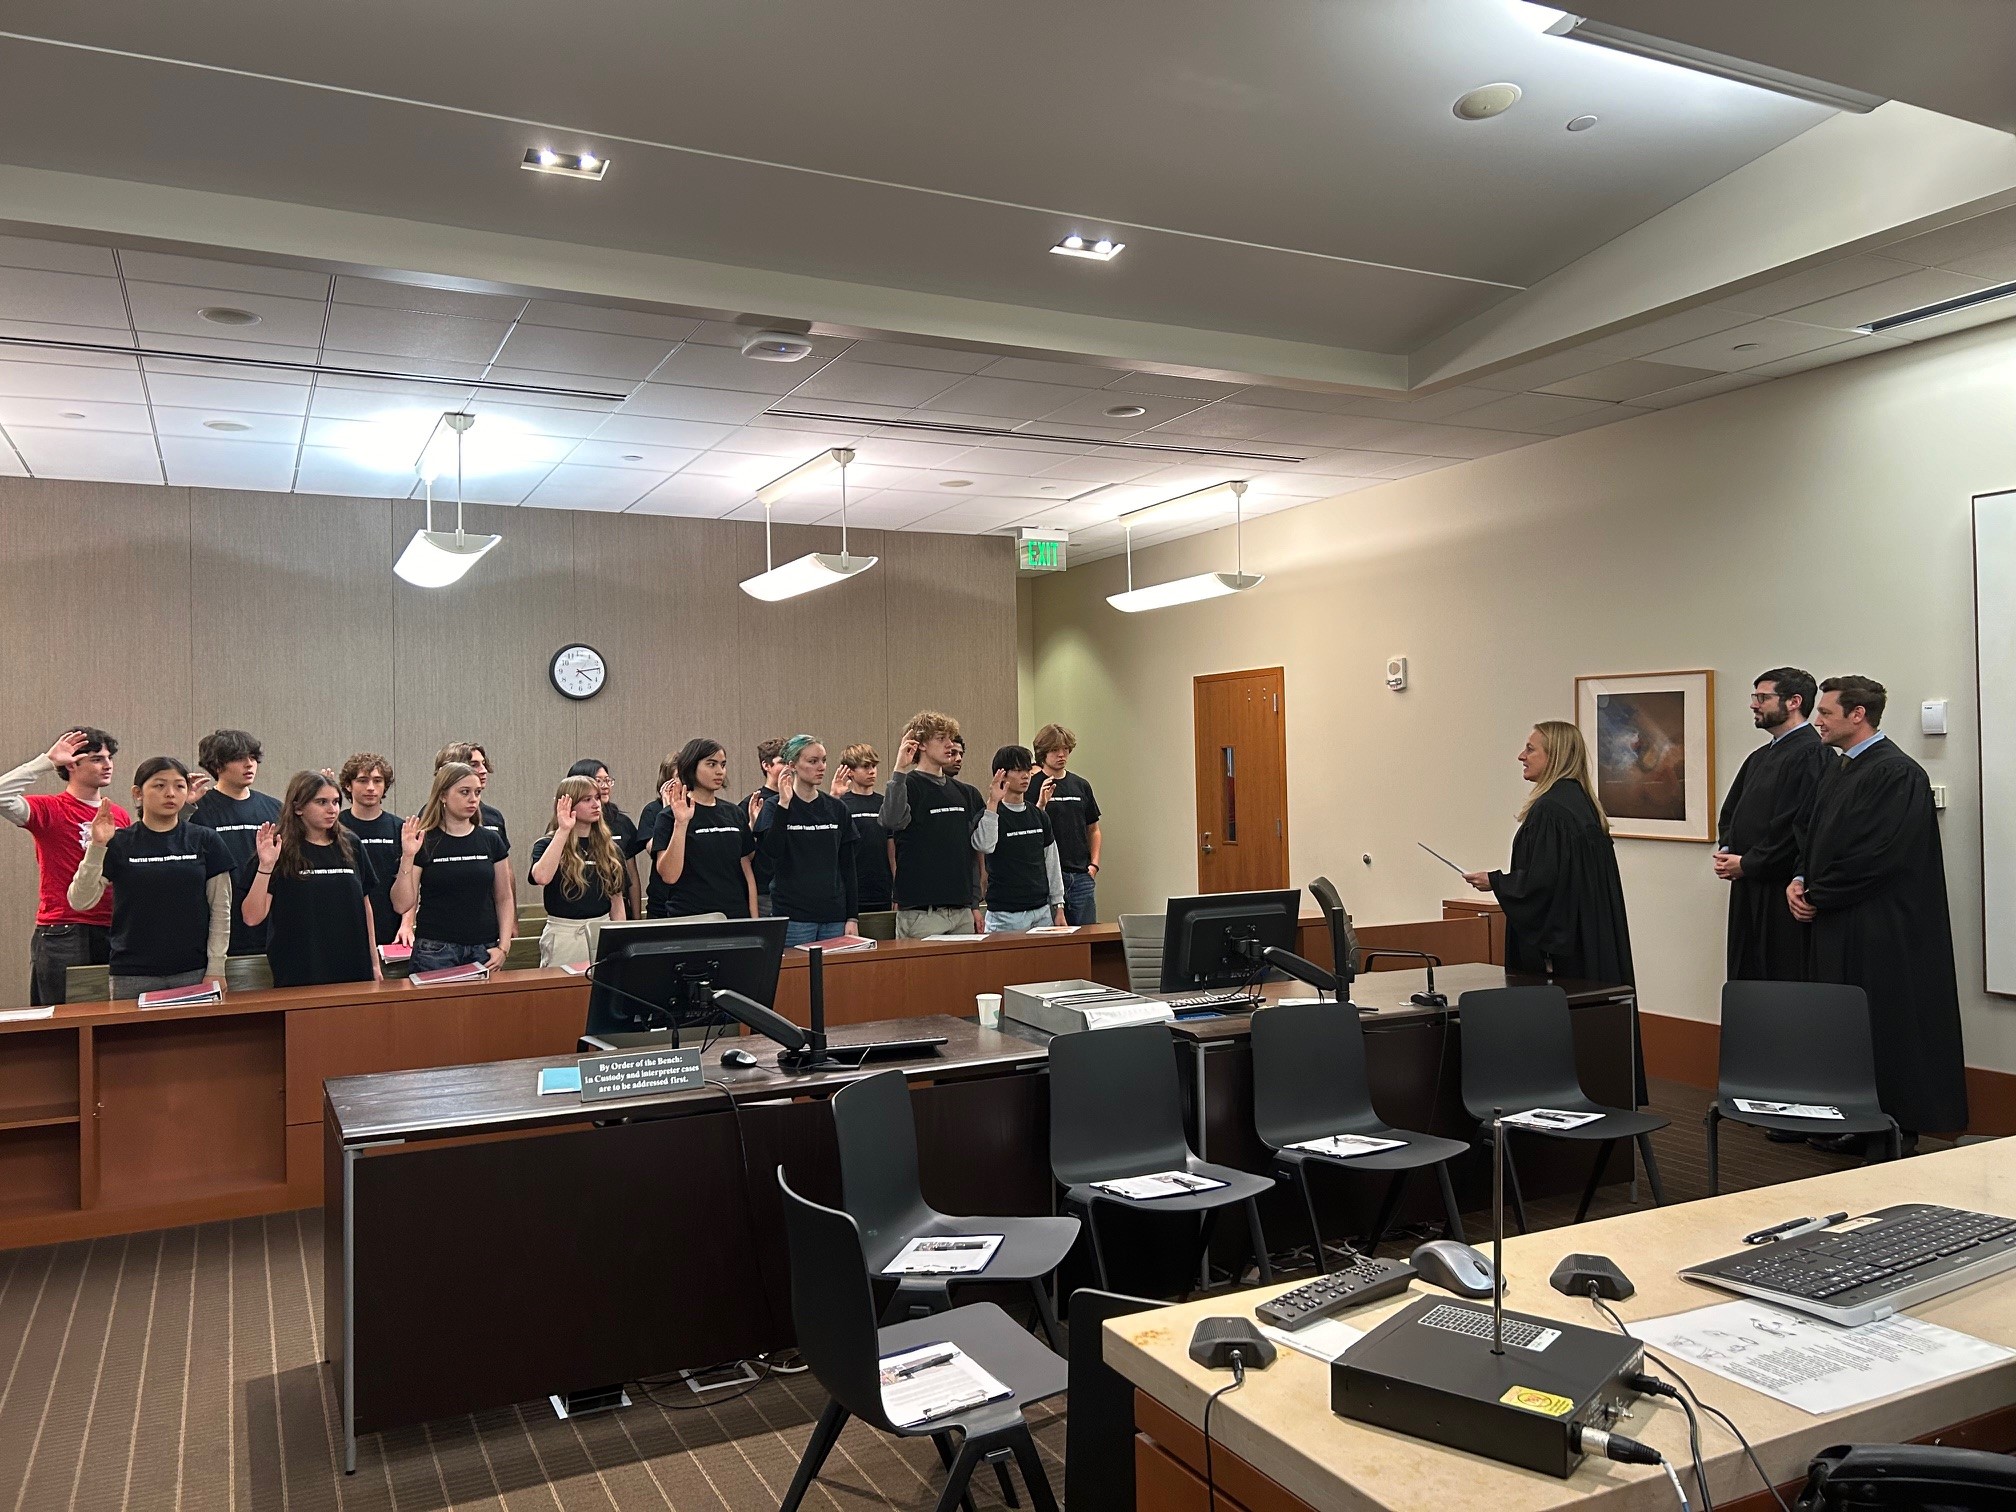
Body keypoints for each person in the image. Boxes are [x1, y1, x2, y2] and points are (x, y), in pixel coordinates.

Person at [1790, 676, 1966, 1156]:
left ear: (1858, 715)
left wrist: (1820, 892)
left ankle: (1892, 1126)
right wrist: (1800, 878)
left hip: (1883, 928)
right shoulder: (1839, 767)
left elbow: (1879, 855)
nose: (1817, 721)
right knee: (1846, 1026)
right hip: (1839, 920)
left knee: (1885, 1024)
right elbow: (1811, 834)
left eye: (1826, 713)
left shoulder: (1897, 774)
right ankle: (1856, 1118)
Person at [67, 756, 232, 1000]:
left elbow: (221, 909)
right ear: (138, 793)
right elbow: (80, 901)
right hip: (132, 973)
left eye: (179, 786)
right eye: (159, 785)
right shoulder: (120, 842)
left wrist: (216, 967)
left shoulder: (205, 840)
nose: (170, 793)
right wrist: (98, 846)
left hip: (194, 970)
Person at [1715, 669, 1831, 983]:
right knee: (1747, 973)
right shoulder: (1759, 757)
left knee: (1781, 976)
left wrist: (1750, 863)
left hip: (1781, 890)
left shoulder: (1812, 754)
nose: (1754, 705)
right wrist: (1727, 850)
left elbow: (1798, 827)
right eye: (1755, 697)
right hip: (1747, 883)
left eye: (1763, 697)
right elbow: (1731, 813)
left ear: (1794, 702)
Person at [2, 727, 127, 1004]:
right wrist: (46, 761)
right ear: (71, 764)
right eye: (96, 758)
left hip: (113, 927)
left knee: (109, 1018)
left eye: (109, 757)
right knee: (62, 1021)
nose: (107, 765)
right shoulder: (51, 808)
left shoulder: (117, 814)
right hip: (64, 929)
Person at [241, 771, 382, 988]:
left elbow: (366, 907)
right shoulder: (279, 848)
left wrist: (374, 963)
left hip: (353, 964)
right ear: (298, 808)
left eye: (335, 802)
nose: (332, 809)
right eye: (321, 802)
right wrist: (266, 867)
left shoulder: (350, 844)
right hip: (301, 968)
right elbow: (252, 917)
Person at [391, 762, 513, 974]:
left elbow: (504, 897)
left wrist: (503, 947)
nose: (473, 799)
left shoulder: (490, 840)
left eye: (477, 792)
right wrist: (408, 856)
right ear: (443, 796)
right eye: (464, 792)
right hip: (435, 950)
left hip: (483, 947)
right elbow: (402, 904)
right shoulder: (425, 840)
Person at [880, 711, 984, 938]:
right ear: (921, 745)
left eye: (950, 738)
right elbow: (891, 820)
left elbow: (971, 852)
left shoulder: (962, 792)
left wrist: (974, 902)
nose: (949, 745)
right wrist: (899, 769)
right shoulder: (908, 785)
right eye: (941, 739)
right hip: (922, 914)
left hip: (960, 910)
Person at [755, 735, 858, 945]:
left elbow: (848, 865)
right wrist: (785, 805)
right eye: (812, 761)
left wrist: (852, 916)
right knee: (798, 977)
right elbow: (771, 852)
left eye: (823, 760)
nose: (821, 767)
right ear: (792, 765)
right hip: (795, 917)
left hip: (834, 916)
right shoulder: (773, 806)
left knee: (834, 976)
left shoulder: (837, 808)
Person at [188, 728, 282, 959]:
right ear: (217, 765)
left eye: (252, 758)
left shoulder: (274, 808)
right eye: (239, 759)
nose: (249, 765)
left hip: (268, 919)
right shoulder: (198, 809)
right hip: (218, 921)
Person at [650, 738, 758, 919]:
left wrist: (754, 918)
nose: (719, 771)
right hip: (691, 917)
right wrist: (681, 823)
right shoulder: (669, 816)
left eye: (723, 765)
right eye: (711, 764)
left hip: (734, 915)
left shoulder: (734, 813)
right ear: (691, 766)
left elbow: (746, 868)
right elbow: (669, 876)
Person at [529, 775, 628, 966]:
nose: (596, 804)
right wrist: (563, 830)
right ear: (569, 804)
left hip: (603, 928)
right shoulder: (548, 844)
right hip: (565, 933)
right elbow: (541, 877)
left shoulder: (610, 848)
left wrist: (619, 937)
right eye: (586, 799)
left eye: (597, 798)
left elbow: (616, 899)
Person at [974, 745, 1065, 933]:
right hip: (1005, 915)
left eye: (1027, 770)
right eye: (1017, 770)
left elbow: (1051, 861)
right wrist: (993, 802)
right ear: (1002, 775)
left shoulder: (1038, 815)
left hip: (1041, 912)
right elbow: (984, 846)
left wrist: (1058, 905)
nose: (1025, 775)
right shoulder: (990, 814)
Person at [338, 752, 412, 950]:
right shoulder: (336, 827)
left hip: (390, 928)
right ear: (348, 785)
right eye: (363, 780)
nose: (371, 787)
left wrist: (406, 924)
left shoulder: (400, 828)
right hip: (345, 926)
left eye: (377, 781)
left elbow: (411, 879)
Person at [1033, 722, 1102, 924]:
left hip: (1081, 875)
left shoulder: (1081, 785)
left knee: (1086, 936)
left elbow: (1094, 829)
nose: (1061, 755)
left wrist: (1094, 865)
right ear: (1043, 753)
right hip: (1047, 876)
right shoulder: (1031, 785)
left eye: (1065, 749)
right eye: (1055, 750)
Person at [569, 758, 643, 919]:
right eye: (598, 781)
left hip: (618, 909)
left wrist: (637, 919)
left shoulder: (621, 822)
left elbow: (631, 874)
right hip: (577, 912)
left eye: (607, 780)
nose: (604, 786)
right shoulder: (565, 827)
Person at [833, 743, 893, 912]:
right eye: (865, 766)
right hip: (852, 890)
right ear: (850, 771)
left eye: (874, 766)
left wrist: (897, 889)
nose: (872, 771)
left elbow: (892, 852)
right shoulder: (842, 804)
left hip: (882, 890)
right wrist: (835, 798)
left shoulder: (884, 803)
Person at [746, 737, 786, 915]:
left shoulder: (802, 800)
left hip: (796, 888)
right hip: (765, 891)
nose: (788, 767)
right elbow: (744, 854)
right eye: (781, 762)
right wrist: (752, 825)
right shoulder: (751, 802)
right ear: (766, 765)